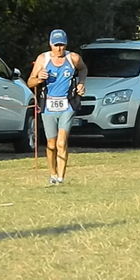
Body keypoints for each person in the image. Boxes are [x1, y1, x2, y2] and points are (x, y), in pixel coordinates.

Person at [27, 29, 87, 185]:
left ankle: (61, 177)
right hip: (48, 107)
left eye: (62, 45)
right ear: (50, 44)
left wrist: (81, 83)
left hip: (68, 105)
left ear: (66, 44)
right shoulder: (43, 59)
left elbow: (83, 69)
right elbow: (30, 82)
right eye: (56, 45)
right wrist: (39, 78)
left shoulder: (73, 58)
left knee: (61, 142)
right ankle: (53, 174)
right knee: (51, 144)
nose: (59, 49)